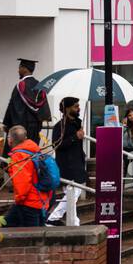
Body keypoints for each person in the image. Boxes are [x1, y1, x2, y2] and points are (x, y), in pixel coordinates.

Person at [48, 96, 86, 226]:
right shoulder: (60, 126)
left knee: (74, 192)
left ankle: (74, 221)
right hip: (67, 163)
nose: (78, 108)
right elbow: (56, 145)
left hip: (77, 161)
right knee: (73, 192)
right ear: (67, 108)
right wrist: (75, 137)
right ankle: (53, 217)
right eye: (76, 106)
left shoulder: (77, 123)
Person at [5, 125, 51, 227]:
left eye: (8, 137)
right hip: (40, 199)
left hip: (28, 202)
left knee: (32, 236)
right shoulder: (33, 150)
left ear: (11, 139)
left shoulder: (19, 156)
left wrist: (18, 199)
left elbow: (22, 183)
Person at [3, 57, 51, 143]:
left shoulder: (20, 85)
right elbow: (43, 108)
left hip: (20, 130)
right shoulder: (39, 86)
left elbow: (12, 106)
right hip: (35, 128)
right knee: (32, 151)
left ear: (24, 69)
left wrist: (6, 124)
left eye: (19, 68)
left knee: (20, 152)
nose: (18, 71)